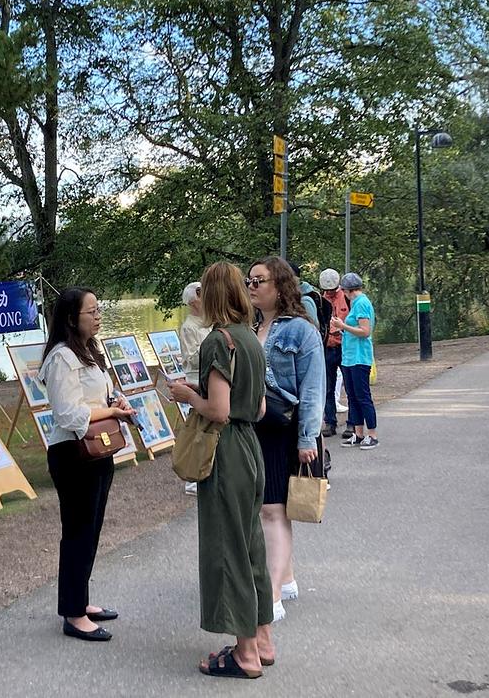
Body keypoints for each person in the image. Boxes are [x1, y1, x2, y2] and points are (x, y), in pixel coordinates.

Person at [168, 262, 273, 679]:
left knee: (228, 547)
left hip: (226, 452)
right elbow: (259, 407)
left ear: (210, 295)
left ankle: (245, 654)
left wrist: (185, 395)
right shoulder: (250, 340)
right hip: (251, 447)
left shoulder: (218, 341)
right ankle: (262, 639)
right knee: (251, 545)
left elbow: (219, 410)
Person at [38, 288, 137, 642]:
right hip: (72, 454)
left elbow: (94, 397)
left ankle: (80, 601)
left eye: (98, 310)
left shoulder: (90, 351)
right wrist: (111, 411)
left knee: (91, 530)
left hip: (97, 451)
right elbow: (68, 413)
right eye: (90, 312)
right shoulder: (62, 357)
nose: (97, 316)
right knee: (78, 532)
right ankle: (73, 614)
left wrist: (115, 401)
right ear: (70, 318)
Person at [246, 256, 323, 623]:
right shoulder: (251, 326)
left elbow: (312, 389)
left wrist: (308, 438)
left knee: (273, 510)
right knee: (269, 507)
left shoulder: (301, 331)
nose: (252, 286)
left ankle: (272, 594)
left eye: (259, 280)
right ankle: (287, 578)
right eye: (249, 280)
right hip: (256, 427)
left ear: (280, 285)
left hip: (285, 429)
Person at [331, 272, 378, 449]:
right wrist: (342, 331)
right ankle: (358, 434)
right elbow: (355, 330)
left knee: (363, 396)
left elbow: (365, 331)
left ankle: (372, 434)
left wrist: (342, 326)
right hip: (349, 357)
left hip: (360, 357)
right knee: (352, 396)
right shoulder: (355, 303)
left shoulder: (361, 303)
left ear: (346, 290)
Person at [179, 281, 211, 495]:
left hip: (209, 378)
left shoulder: (210, 323)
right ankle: (192, 478)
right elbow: (191, 358)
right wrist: (212, 346)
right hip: (195, 379)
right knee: (197, 427)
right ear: (192, 301)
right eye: (200, 296)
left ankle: (205, 470)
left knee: (209, 428)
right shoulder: (189, 327)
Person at [319, 268, 350, 438]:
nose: (329, 292)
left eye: (332, 289)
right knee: (328, 387)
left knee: (350, 387)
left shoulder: (346, 298)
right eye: (327, 289)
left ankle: (353, 423)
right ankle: (330, 422)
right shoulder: (320, 300)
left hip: (345, 347)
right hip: (328, 347)